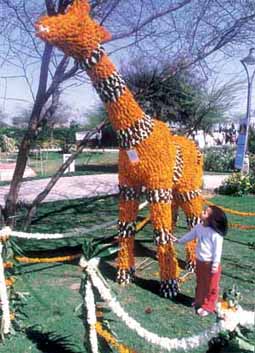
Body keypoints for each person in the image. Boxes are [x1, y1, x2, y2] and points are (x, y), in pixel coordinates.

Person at [173, 206, 228, 317]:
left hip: (211, 264)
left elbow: (218, 251)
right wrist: (178, 240)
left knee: (211, 286)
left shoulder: (216, 234)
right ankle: (199, 301)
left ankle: (209, 306)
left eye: (206, 212)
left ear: (211, 218)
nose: (202, 212)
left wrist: (215, 265)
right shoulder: (199, 227)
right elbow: (190, 235)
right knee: (200, 283)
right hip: (200, 262)